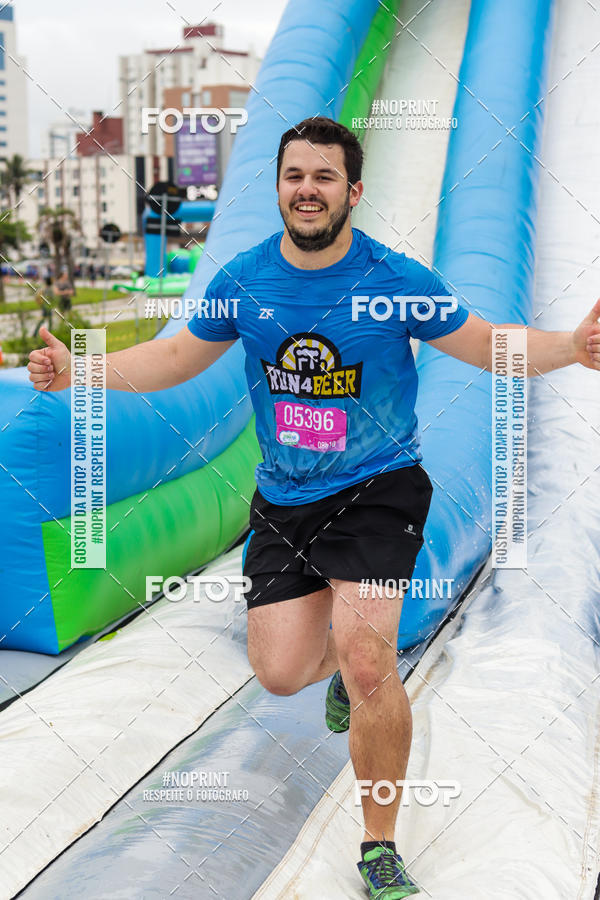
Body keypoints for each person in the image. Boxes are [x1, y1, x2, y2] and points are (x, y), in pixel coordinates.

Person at [27, 116, 600, 898]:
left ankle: (379, 844)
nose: (308, 189)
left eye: (324, 177)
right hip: (285, 499)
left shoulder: (395, 280)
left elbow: (488, 343)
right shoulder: (245, 280)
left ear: (353, 191)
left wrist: (569, 346)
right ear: (278, 188)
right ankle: (336, 662)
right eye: (295, 175)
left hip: (377, 488)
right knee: (279, 670)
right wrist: (79, 370)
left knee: (370, 662)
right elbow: (170, 357)